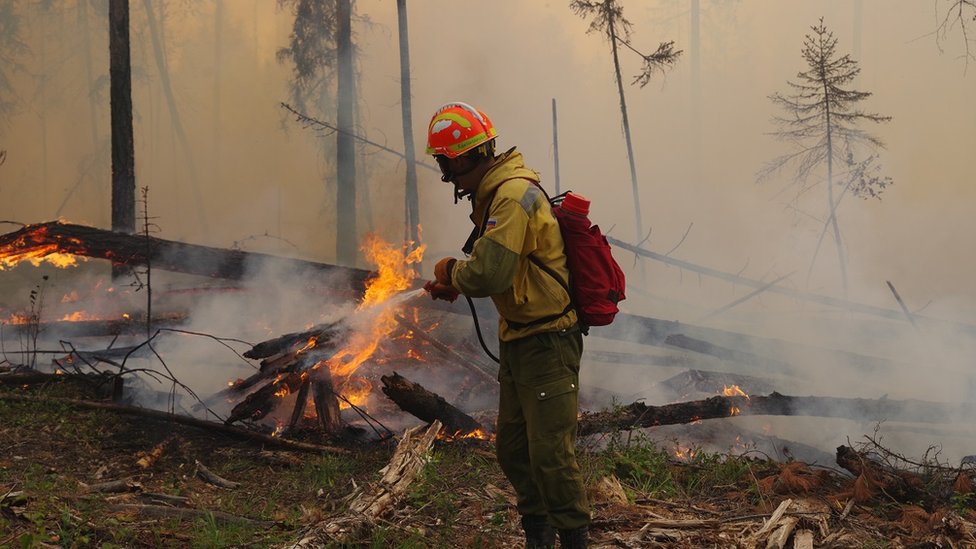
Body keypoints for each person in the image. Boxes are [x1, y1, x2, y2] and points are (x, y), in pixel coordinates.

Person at [423, 102, 590, 549]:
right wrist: (459, 283)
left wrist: (450, 272)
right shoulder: (496, 195)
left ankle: (574, 539)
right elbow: (506, 267)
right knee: (514, 451)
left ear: (464, 158)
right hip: (520, 339)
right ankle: (539, 537)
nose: (447, 175)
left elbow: (490, 274)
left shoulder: (512, 197)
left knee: (551, 455)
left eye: (445, 163)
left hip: (548, 341)